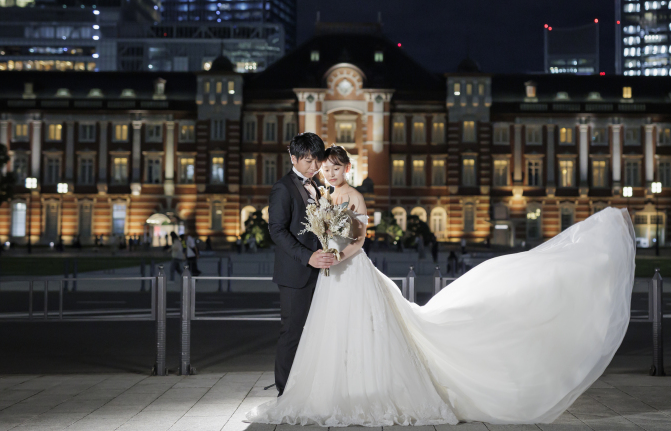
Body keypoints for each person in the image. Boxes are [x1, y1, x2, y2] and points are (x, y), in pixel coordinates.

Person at [245, 143, 636, 426]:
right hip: (328, 273)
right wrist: (324, 253)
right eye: (324, 166)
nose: (328, 172)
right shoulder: (321, 193)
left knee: (365, 331)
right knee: (331, 334)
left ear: (347, 168)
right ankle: (331, 388)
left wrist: (338, 256)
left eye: (335, 166)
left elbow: (360, 238)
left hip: (347, 268)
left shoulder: (354, 197)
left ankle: (366, 388)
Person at [265, 132, 331, 397]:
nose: (314, 166)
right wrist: (308, 257)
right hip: (295, 273)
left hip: (321, 273)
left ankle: (307, 386)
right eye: (307, 160)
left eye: (317, 160)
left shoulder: (318, 187)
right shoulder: (283, 187)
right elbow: (276, 230)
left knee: (315, 332)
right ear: (293, 158)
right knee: (292, 333)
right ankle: (285, 392)